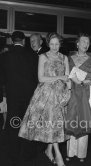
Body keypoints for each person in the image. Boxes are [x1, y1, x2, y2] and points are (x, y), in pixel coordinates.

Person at [18, 32, 71, 166]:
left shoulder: (64, 57)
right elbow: (41, 78)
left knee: (56, 126)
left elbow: (68, 78)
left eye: (57, 44)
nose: (54, 46)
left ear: (60, 44)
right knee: (51, 124)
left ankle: (49, 150)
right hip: (45, 94)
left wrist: (69, 92)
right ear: (48, 44)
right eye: (52, 44)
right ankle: (58, 155)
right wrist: (59, 78)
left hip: (60, 95)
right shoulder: (43, 56)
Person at [0, 31, 38, 166]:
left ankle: (13, 155)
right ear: (23, 41)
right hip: (29, 97)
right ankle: (27, 155)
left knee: (13, 125)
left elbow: (1, 80)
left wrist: (2, 99)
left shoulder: (4, 57)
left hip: (12, 97)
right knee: (27, 125)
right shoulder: (33, 56)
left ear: (11, 40)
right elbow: (36, 78)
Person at [65, 33, 91, 162]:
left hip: (85, 93)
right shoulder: (69, 58)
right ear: (77, 43)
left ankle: (81, 154)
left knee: (83, 120)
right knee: (71, 119)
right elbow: (65, 74)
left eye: (88, 42)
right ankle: (69, 152)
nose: (86, 44)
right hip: (72, 92)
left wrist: (82, 82)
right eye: (83, 42)